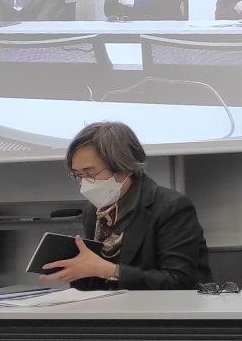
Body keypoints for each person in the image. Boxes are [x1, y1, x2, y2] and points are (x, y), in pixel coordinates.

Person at [43, 121, 210, 290]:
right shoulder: (93, 211)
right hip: (112, 305)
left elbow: (180, 281)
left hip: (167, 305)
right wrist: (74, 270)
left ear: (124, 167)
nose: (84, 184)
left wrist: (111, 271)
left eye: (90, 174)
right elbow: (97, 282)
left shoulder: (171, 206)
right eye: (77, 175)